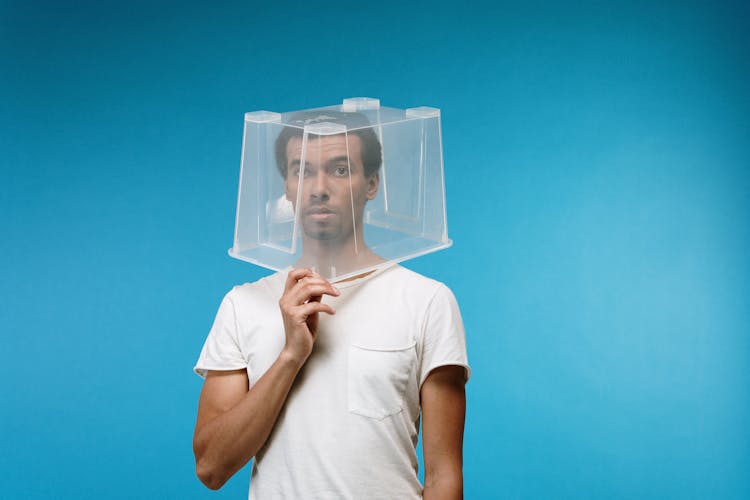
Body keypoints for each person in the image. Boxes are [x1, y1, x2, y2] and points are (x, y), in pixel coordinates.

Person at [192, 110, 470, 499]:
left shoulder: (427, 301)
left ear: (371, 183)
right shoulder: (243, 304)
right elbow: (211, 467)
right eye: (302, 171)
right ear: (287, 187)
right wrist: (290, 355)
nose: (319, 187)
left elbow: (444, 477)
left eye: (340, 170)